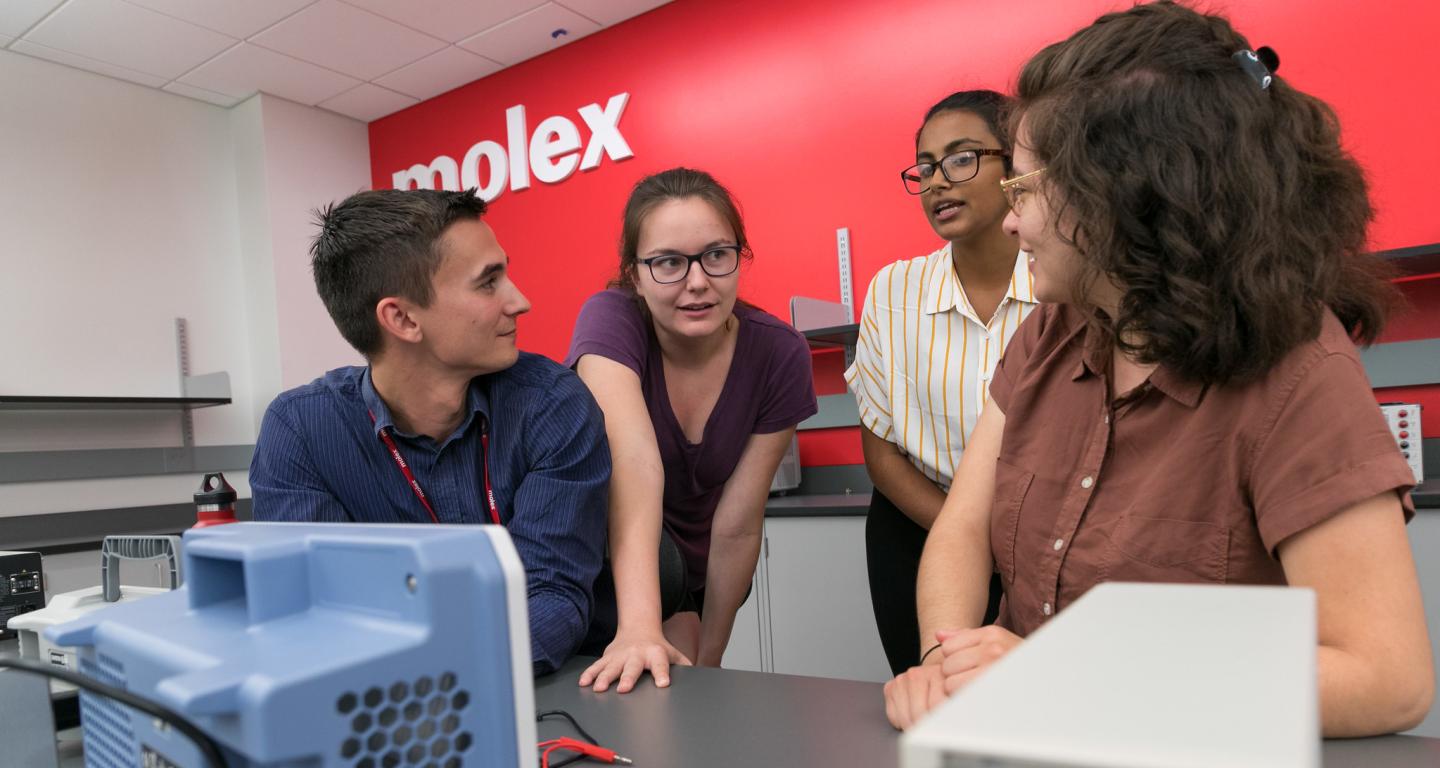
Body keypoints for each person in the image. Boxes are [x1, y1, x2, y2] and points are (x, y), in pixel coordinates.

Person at [883, 1, 1433, 737]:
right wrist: (943, 663)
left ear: (1124, 194)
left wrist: (1069, 680)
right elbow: (962, 528)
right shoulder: (1052, 331)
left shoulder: (1300, 371)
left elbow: (1386, 680)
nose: (1010, 222)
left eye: (1025, 190)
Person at [249, 188, 610, 676]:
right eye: (488, 283)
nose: (520, 301)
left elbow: (552, 597)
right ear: (401, 318)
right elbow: (318, 611)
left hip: (545, 686)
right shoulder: (302, 431)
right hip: (388, 706)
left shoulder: (551, 404)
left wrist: (426, 673)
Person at [566, 168, 818, 693]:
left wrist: (714, 656)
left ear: (738, 256)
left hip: (711, 569)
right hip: (623, 560)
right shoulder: (611, 318)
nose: (698, 282)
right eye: (669, 263)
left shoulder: (779, 352)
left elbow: (738, 521)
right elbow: (632, 467)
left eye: (717, 255)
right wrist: (638, 626)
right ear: (634, 274)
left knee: (697, 686)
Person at [846, 90, 1038, 675]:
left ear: (1014, 166)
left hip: (1043, 542)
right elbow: (881, 453)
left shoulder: (1062, 278)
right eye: (925, 167)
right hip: (916, 532)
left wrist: (1011, 550)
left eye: (961, 159)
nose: (936, 182)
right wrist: (965, 538)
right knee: (930, 695)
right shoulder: (894, 291)